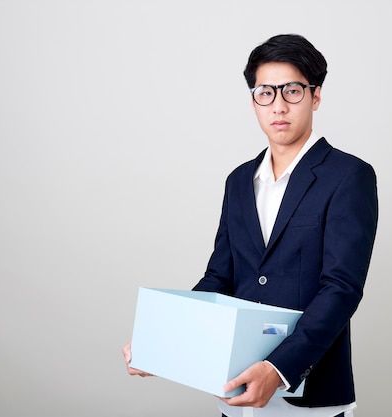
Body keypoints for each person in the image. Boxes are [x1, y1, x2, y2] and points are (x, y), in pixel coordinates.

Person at [123, 34, 378, 417]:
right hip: (234, 389)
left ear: (316, 96)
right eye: (265, 93)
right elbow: (219, 278)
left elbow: (341, 289)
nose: (278, 105)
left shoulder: (348, 175)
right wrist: (162, 341)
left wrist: (277, 369)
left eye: (292, 91)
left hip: (307, 394)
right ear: (253, 101)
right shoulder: (238, 180)